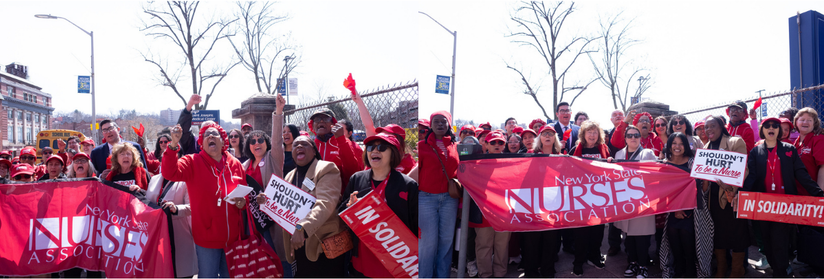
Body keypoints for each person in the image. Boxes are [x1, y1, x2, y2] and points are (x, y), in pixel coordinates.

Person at [162, 121, 247, 278]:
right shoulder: (192, 162)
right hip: (207, 239)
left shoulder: (235, 164)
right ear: (201, 142)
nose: (210, 136)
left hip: (232, 238)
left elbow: (244, 194)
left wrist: (242, 202)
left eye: (215, 134)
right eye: (206, 135)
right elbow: (169, 173)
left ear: (223, 140)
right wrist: (173, 145)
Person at [742, 117, 824, 278]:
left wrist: (820, 194)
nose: (771, 128)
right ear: (762, 130)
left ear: (779, 130)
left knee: (779, 243)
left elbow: (802, 175)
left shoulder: (789, 149)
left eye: (775, 126)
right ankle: (778, 269)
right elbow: (751, 177)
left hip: (784, 206)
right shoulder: (755, 152)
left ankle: (780, 273)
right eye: (767, 126)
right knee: (767, 244)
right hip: (762, 206)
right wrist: (740, 195)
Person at [341, 133, 419, 278]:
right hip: (362, 260)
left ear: (393, 153)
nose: (375, 151)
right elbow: (341, 212)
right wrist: (350, 207)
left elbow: (416, 224)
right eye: (370, 147)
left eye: (382, 147)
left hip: (396, 260)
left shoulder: (408, 185)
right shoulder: (357, 179)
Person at [278, 135, 346, 277]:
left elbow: (325, 203)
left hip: (323, 249)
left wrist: (302, 227)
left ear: (314, 151)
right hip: (299, 248)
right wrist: (267, 202)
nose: (299, 147)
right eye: (295, 145)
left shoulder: (326, 168)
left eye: (304, 144)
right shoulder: (289, 176)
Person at [245, 94, 292, 277]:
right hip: (253, 222)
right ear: (249, 146)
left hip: (273, 221)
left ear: (266, 144)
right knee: (261, 262)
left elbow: (278, 141)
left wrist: (278, 112)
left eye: (260, 140)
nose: (257, 143)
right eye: (253, 141)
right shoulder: (244, 167)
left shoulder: (273, 159)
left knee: (280, 259)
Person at [703, 115, 749, 278]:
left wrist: (731, 189)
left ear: (721, 126)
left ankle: (737, 270)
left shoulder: (735, 142)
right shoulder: (705, 147)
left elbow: (742, 170)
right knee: (718, 235)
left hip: (732, 198)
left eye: (712, 126)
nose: (709, 129)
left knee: (737, 235)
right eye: (706, 127)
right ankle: (722, 268)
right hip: (713, 200)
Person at [419, 111, 460, 278]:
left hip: (449, 199)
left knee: (446, 241)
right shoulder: (421, 146)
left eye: (444, 121)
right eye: (436, 121)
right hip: (426, 199)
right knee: (428, 243)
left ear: (449, 124)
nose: (440, 124)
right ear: (430, 125)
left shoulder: (456, 147)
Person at [614, 125, 657, 278]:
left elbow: (655, 174)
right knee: (628, 236)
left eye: (636, 135)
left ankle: (643, 266)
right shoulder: (619, 153)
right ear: (625, 138)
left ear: (640, 137)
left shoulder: (648, 153)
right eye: (630, 135)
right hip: (624, 201)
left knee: (643, 237)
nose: (633, 138)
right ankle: (632, 262)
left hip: (643, 201)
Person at [567, 120, 609, 276]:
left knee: (597, 231)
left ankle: (595, 257)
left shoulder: (604, 149)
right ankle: (578, 261)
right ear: (583, 134)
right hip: (581, 199)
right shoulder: (575, 150)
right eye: (589, 132)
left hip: (600, 198)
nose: (592, 135)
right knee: (581, 233)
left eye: (595, 132)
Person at [470, 132, 512, 278]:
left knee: (502, 245)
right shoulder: (475, 164)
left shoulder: (511, 163)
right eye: (493, 142)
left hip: (504, 212)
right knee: (484, 245)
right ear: (485, 144)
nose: (496, 145)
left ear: (504, 145)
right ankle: (485, 274)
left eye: (500, 143)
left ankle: (500, 273)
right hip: (483, 212)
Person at [146, 168, 198, 277]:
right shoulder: (154, 179)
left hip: (180, 234)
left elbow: (193, 207)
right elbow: (147, 203)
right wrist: (138, 192)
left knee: (181, 272)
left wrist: (176, 208)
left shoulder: (186, 180)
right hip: (158, 236)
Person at [307, 108, 361, 195]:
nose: (321, 122)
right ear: (312, 125)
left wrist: (341, 140)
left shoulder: (344, 142)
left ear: (333, 124)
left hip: (338, 197)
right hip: (313, 196)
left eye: (325, 119)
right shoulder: (309, 145)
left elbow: (353, 172)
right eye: (317, 119)